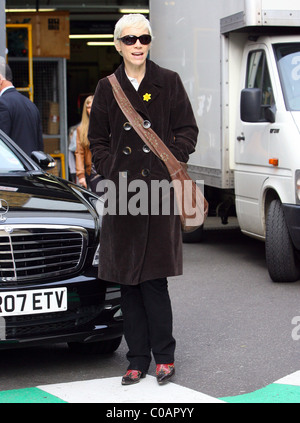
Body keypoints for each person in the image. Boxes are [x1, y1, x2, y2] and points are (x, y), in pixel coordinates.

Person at [88, 14, 198, 386]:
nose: (138, 45)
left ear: (150, 43)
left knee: (153, 280)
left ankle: (164, 356)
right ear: (118, 45)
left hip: (158, 193)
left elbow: (187, 129)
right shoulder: (107, 87)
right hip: (122, 195)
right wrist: (110, 168)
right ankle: (137, 359)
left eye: (144, 38)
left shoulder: (168, 82)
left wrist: (172, 161)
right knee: (127, 282)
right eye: (130, 39)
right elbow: (98, 141)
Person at [0, 64, 43, 156]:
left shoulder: (2, 103)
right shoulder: (30, 104)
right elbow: (39, 146)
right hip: (32, 167)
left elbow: (2, 145)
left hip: (12, 167)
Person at [75, 95, 94, 189]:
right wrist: (81, 175)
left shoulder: (108, 125)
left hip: (108, 170)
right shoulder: (81, 129)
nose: (91, 110)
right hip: (92, 171)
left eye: (94, 106)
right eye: (89, 107)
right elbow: (79, 152)